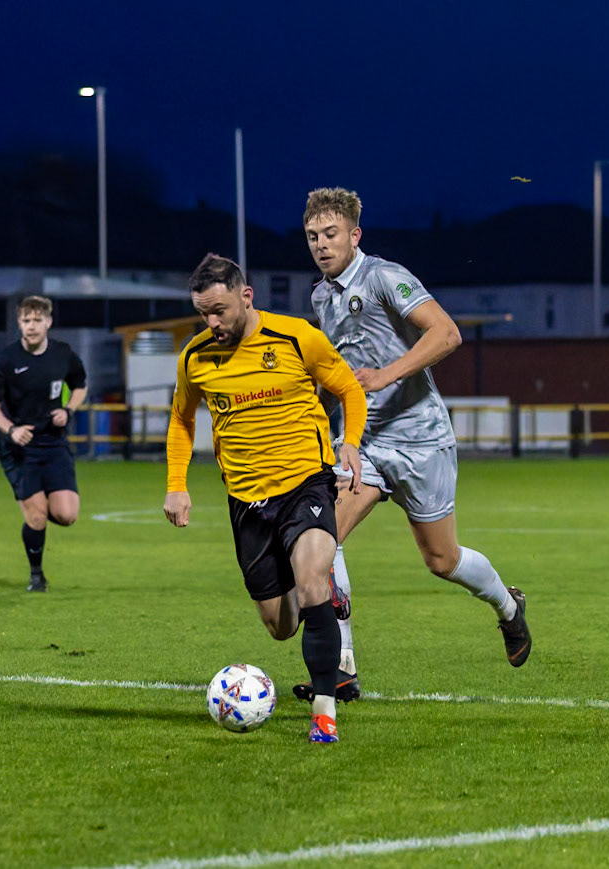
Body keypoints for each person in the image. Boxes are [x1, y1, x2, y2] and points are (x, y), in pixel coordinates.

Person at [291, 187, 531, 703]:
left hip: (421, 440)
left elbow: (446, 334)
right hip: (365, 443)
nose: (321, 245)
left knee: (442, 561)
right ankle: (341, 667)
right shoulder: (319, 297)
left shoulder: (385, 277)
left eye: (330, 234)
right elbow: (336, 370)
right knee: (321, 534)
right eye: (312, 236)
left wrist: (385, 376)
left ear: (354, 235)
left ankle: (509, 608)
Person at [164, 254, 368, 744]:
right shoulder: (195, 357)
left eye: (220, 311)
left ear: (245, 296)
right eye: (203, 314)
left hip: (306, 484)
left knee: (313, 577)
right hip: (247, 501)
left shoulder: (297, 336)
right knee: (280, 625)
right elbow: (182, 420)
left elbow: (348, 389)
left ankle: (325, 710)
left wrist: (351, 441)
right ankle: (319, 598)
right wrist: (177, 483)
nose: (212, 323)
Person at [0, 295, 86, 592]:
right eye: (26, 321)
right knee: (37, 515)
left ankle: (39, 510)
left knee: (66, 515)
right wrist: (10, 429)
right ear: (19, 323)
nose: (31, 326)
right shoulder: (5, 360)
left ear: (48, 322)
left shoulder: (63, 354)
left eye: (37, 320)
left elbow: (80, 385)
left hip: (53, 444)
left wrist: (68, 410)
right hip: (19, 448)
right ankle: (36, 574)